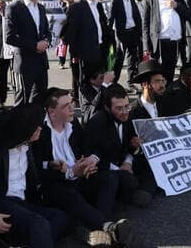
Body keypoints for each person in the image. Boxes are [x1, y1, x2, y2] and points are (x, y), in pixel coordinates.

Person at [33, 88, 139, 246]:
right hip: (57, 184)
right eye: (65, 106)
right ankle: (107, 226)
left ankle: (100, 230)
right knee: (66, 193)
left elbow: (90, 148)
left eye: (72, 103)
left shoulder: (73, 123)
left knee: (110, 178)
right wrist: (69, 172)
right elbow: (36, 169)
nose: (72, 108)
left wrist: (91, 160)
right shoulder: (39, 131)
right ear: (52, 111)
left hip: (81, 176)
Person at [0, 104, 69, 247]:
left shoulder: (27, 147)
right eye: (34, 127)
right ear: (22, 131)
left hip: (23, 202)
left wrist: (49, 164)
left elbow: (34, 173)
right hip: (2, 204)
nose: (39, 129)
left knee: (59, 218)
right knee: (39, 224)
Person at [85, 84, 143, 207]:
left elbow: (130, 145)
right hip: (102, 170)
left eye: (127, 106)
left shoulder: (129, 115)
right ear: (107, 108)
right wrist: (119, 169)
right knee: (123, 180)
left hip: (121, 162)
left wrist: (128, 161)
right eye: (119, 108)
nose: (124, 112)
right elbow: (93, 155)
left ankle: (143, 191)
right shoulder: (97, 123)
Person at [5, 0, 51, 106]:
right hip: (24, 65)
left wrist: (47, 41)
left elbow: (46, 31)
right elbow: (9, 36)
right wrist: (34, 45)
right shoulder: (14, 8)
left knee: (40, 102)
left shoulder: (41, 8)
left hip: (41, 64)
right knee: (22, 103)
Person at [142, 0, 191, 84]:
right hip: (159, 43)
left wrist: (177, 6)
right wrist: (146, 48)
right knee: (158, 74)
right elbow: (145, 26)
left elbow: (189, 15)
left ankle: (168, 97)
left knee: (170, 74)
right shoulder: (150, 1)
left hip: (175, 42)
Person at [129, 60, 167, 206]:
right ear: (145, 84)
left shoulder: (165, 103)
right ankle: (146, 190)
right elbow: (126, 142)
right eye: (157, 82)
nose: (162, 85)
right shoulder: (133, 111)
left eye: (163, 81)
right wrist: (132, 143)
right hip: (143, 157)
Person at [65, 0, 112, 81]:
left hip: (101, 53)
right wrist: (76, 57)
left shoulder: (99, 6)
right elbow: (70, 36)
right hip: (85, 57)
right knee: (86, 88)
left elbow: (103, 28)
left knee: (100, 86)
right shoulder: (76, 8)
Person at [110, 0, 142, 90]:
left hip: (132, 33)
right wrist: (111, 37)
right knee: (119, 59)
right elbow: (111, 19)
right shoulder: (116, 1)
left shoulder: (132, 1)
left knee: (132, 58)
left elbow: (137, 18)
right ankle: (114, 83)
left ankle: (131, 81)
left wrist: (139, 34)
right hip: (121, 34)